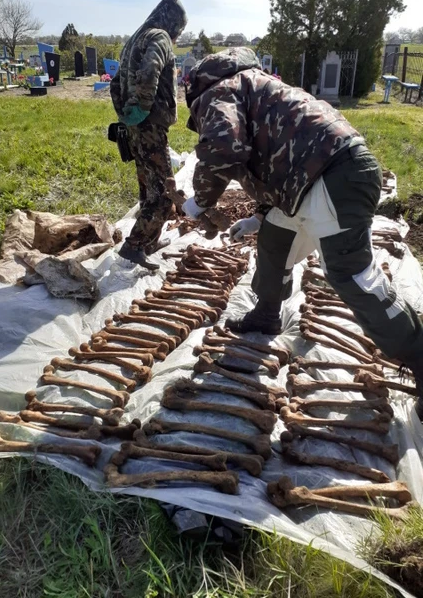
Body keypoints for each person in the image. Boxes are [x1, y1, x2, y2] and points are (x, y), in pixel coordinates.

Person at [179, 47, 423, 405]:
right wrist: (258, 216)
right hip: (313, 176)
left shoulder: (220, 90)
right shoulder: (253, 85)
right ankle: (266, 312)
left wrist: (198, 201)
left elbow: (223, 147)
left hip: (334, 175)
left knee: (351, 275)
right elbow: (277, 154)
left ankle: (417, 353)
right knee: (274, 238)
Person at [109, 0, 188, 271]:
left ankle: (149, 241)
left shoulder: (134, 40)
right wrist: (142, 107)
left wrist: (126, 113)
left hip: (136, 126)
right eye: (178, 30)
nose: (177, 36)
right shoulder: (159, 37)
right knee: (165, 192)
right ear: (173, 22)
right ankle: (134, 245)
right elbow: (152, 68)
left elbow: (116, 81)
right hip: (150, 126)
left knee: (147, 184)